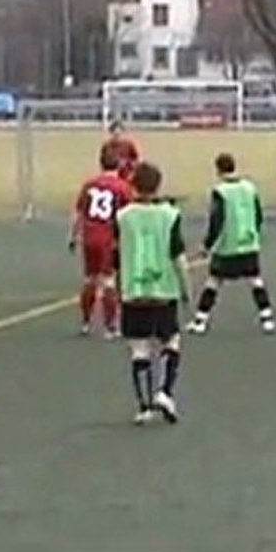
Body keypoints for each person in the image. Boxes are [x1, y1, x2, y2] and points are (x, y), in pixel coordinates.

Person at [115, 162, 192, 425]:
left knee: (139, 349)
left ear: (133, 184)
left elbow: (117, 254)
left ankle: (144, 407)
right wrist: (186, 289)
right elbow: (178, 257)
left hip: (133, 290)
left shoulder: (123, 216)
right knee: (171, 341)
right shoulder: (170, 215)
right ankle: (165, 391)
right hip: (163, 290)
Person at [187, 154, 276, 336]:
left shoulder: (220, 191)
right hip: (249, 244)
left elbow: (216, 221)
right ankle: (267, 318)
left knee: (213, 282)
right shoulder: (250, 188)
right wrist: (253, 234)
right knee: (255, 281)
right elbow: (258, 215)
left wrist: (207, 245)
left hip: (227, 247)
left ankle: (200, 321)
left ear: (218, 170)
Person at [69, 147, 134, 339]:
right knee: (108, 281)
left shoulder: (89, 185)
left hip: (89, 236)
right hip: (108, 237)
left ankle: (86, 322)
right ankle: (110, 326)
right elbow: (129, 214)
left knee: (90, 278)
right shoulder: (122, 187)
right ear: (119, 165)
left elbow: (79, 212)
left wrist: (73, 236)